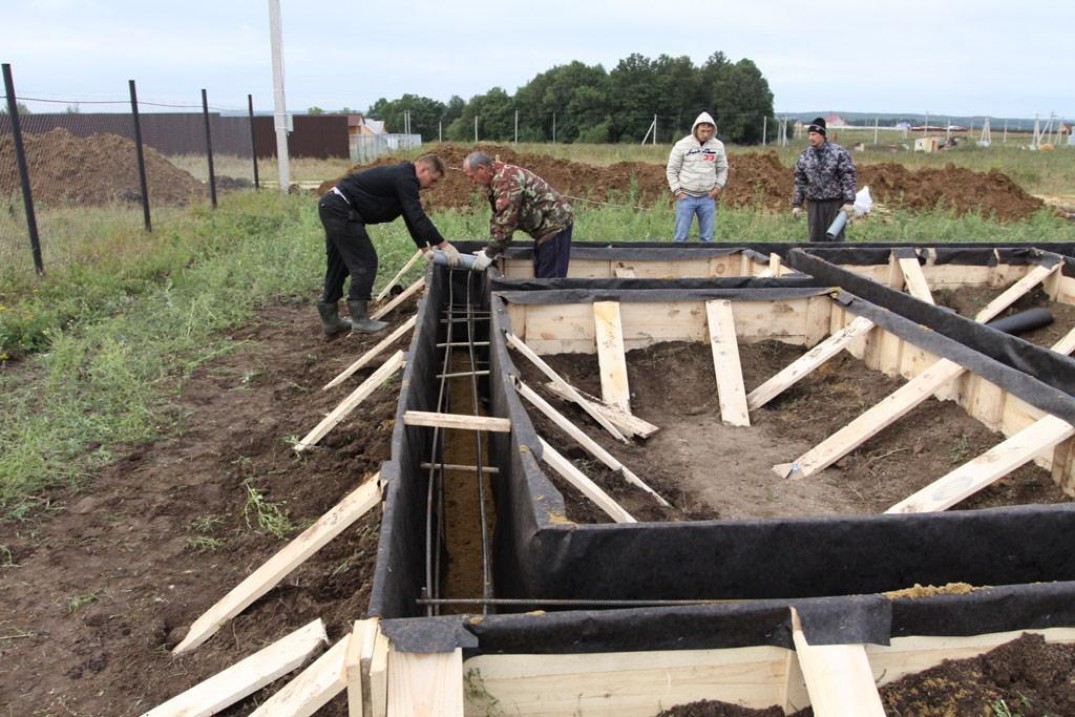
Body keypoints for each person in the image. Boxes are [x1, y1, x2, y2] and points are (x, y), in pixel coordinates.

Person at [316, 153, 461, 335]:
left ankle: (331, 321)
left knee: (339, 264)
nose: (431, 187)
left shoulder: (403, 179)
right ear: (423, 169)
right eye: (432, 180)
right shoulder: (406, 178)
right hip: (340, 208)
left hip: (332, 206)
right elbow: (417, 216)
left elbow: (409, 216)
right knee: (365, 261)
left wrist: (424, 248)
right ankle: (359, 319)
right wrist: (444, 245)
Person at [462, 151, 574, 278]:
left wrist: (490, 253)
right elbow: (498, 216)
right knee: (542, 273)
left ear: (481, 169)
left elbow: (507, 220)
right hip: (544, 228)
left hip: (555, 225)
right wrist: (494, 249)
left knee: (550, 279)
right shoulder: (495, 179)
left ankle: (552, 298)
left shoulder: (506, 180)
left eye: (472, 176)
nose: (472, 181)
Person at [665, 111, 729, 242]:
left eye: (708, 130)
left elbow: (722, 169)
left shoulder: (718, 146)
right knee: (680, 237)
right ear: (696, 128)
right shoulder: (682, 145)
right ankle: (678, 262)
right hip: (686, 197)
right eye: (703, 130)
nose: (706, 134)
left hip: (707, 198)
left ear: (713, 130)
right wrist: (677, 191)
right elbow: (671, 169)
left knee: (707, 238)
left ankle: (705, 262)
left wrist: (717, 188)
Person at [791, 117, 857, 242]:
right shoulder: (805, 156)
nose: (811, 138)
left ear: (822, 135)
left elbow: (848, 176)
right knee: (815, 239)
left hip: (834, 203)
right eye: (809, 134)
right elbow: (799, 181)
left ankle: (836, 261)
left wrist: (849, 201)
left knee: (835, 238)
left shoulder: (838, 153)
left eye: (814, 134)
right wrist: (797, 204)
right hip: (814, 204)